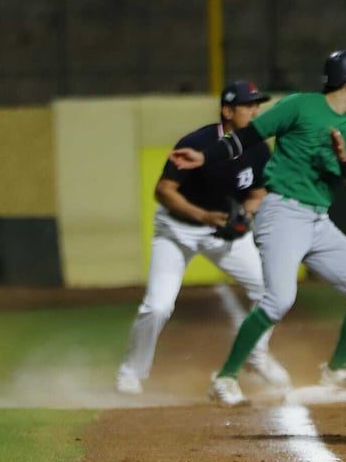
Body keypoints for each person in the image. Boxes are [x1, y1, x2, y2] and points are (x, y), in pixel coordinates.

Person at [170, 50, 346, 406]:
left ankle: (337, 369)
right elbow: (249, 136)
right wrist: (205, 156)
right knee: (279, 300)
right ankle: (225, 378)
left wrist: (344, 159)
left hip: (318, 220)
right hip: (282, 212)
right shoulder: (300, 106)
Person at [116, 81, 291, 395]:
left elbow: (258, 192)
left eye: (257, 105)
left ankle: (257, 356)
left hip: (223, 234)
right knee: (158, 307)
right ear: (227, 111)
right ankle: (130, 373)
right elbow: (163, 191)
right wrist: (203, 216)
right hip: (176, 231)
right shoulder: (196, 143)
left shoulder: (258, 146)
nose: (255, 111)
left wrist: (247, 214)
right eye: (248, 106)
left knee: (271, 293)